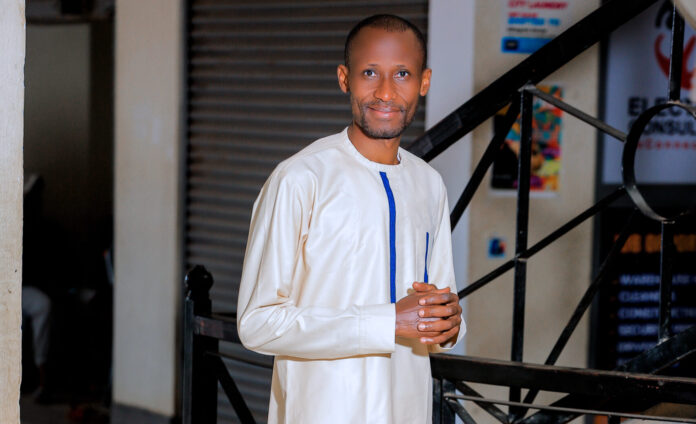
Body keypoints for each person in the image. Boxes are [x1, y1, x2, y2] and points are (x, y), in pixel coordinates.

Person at [237, 14, 464, 424]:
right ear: (345, 79)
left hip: (407, 411)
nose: (385, 91)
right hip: (321, 412)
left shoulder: (429, 184)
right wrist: (388, 321)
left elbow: (438, 312)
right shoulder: (300, 178)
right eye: (370, 72)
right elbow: (258, 323)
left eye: (402, 73)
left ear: (424, 82)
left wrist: (448, 324)